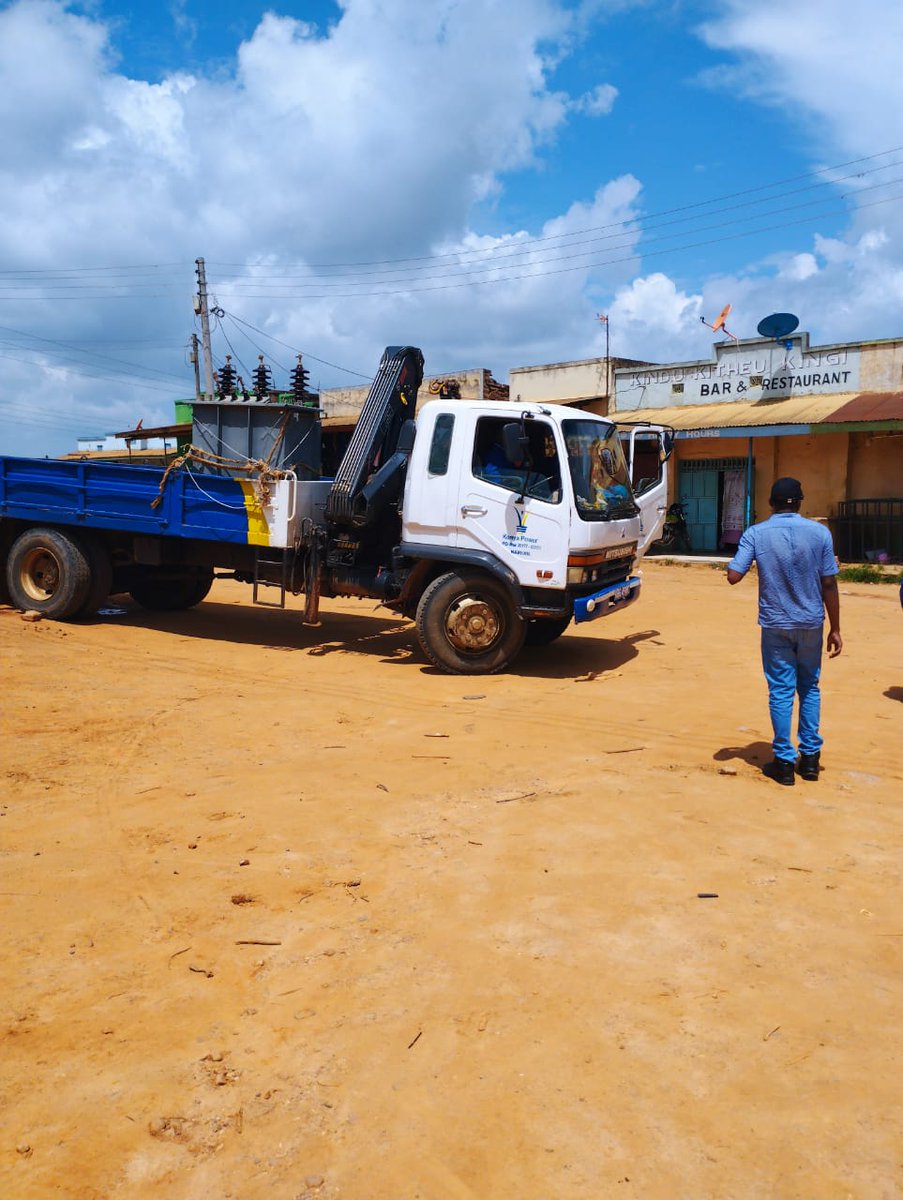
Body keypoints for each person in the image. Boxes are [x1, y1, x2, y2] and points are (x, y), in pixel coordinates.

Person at [726, 477, 842, 785]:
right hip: (811, 623)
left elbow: (734, 576)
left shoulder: (756, 533)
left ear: (770, 503)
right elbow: (829, 582)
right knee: (810, 688)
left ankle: (784, 762)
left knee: (780, 691)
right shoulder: (820, 533)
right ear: (800, 502)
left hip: (776, 624)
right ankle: (811, 760)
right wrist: (836, 628)